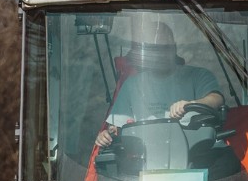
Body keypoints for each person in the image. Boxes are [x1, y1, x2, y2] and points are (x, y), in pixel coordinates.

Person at [95, 22, 224, 149]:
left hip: (194, 153)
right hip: (143, 158)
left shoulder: (198, 76)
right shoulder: (132, 84)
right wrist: (106, 136)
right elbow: (116, 127)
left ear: (174, 48)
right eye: (155, 49)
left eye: (165, 48)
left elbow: (216, 99)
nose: (160, 54)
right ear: (146, 52)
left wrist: (190, 104)